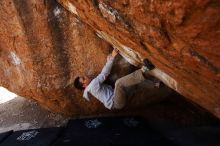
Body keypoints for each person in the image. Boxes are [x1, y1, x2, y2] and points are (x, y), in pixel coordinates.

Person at [74, 48, 156, 110]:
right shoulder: (92, 86)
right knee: (119, 83)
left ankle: (156, 85)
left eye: (83, 77)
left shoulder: (91, 87)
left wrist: (109, 60)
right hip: (116, 102)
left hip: (119, 97)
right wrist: (112, 57)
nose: (86, 76)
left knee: (132, 82)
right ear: (84, 86)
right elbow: (104, 74)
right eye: (84, 79)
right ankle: (144, 69)